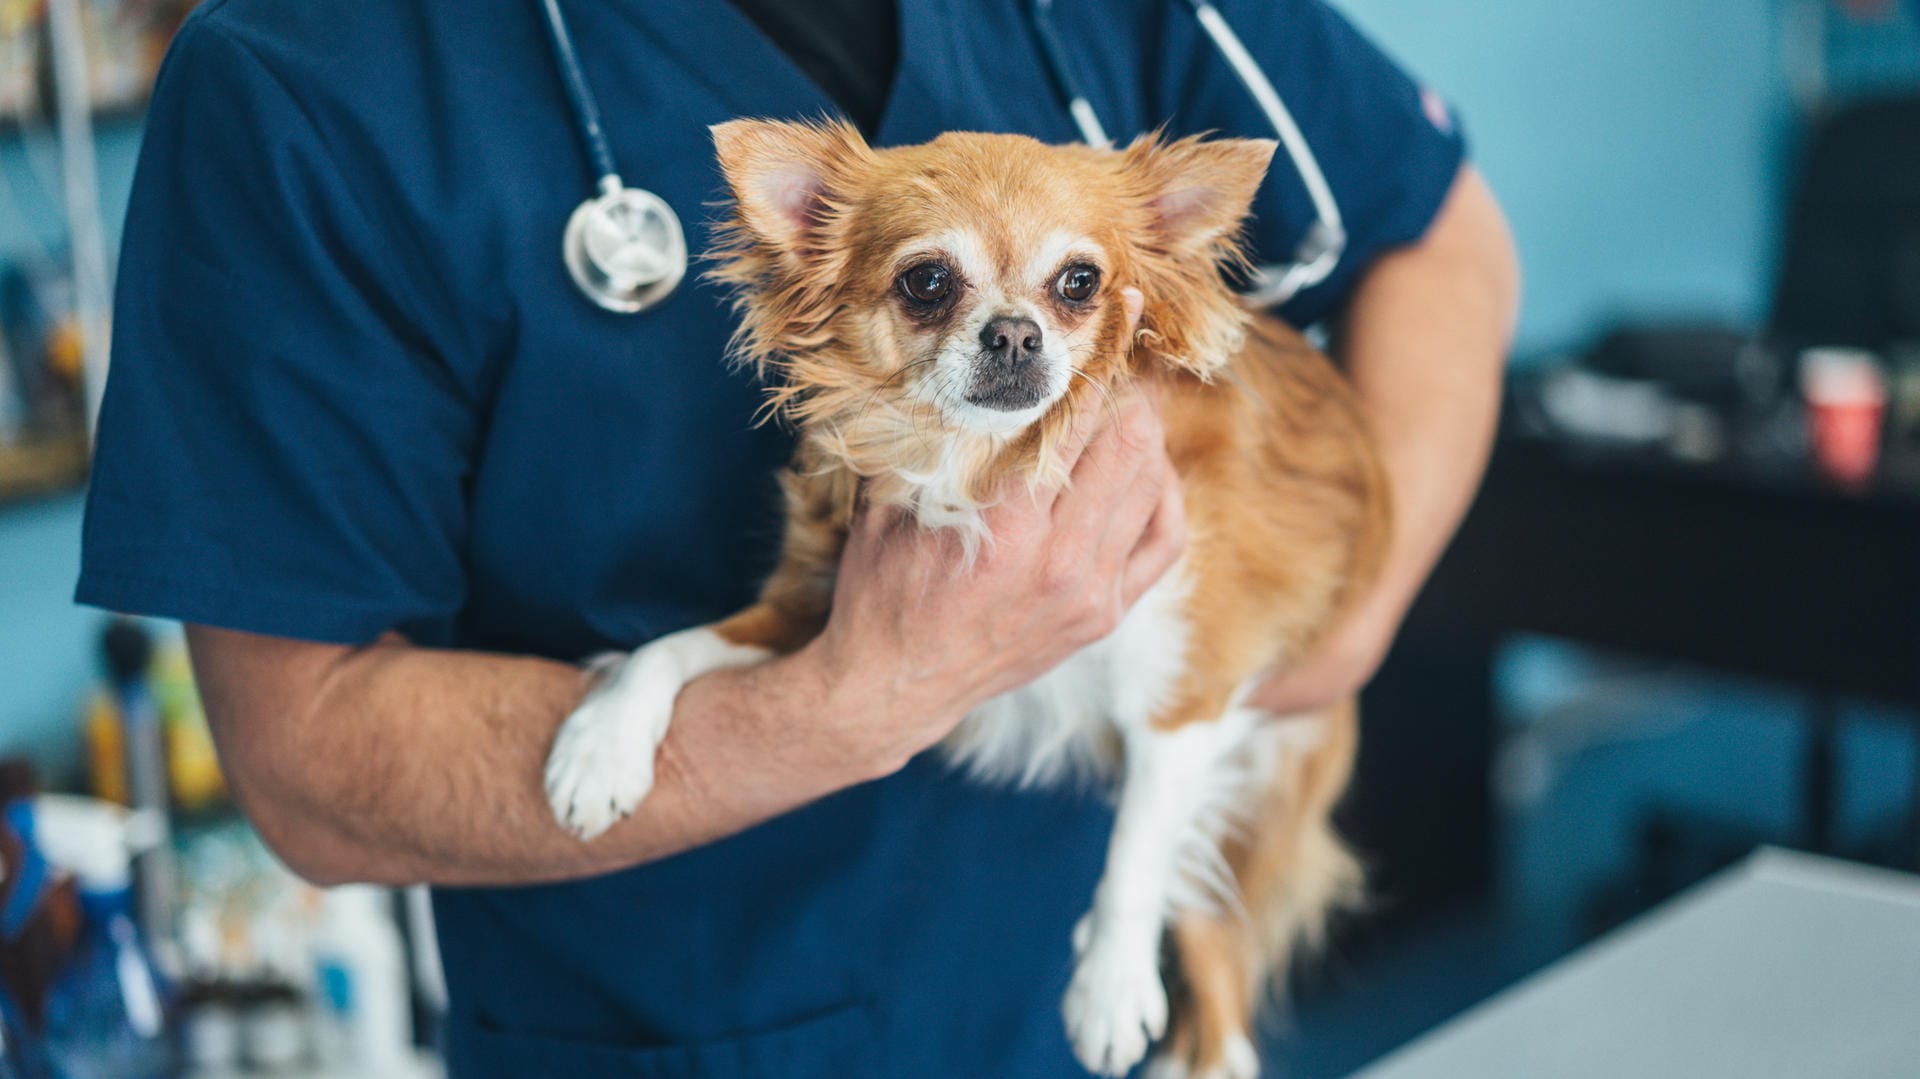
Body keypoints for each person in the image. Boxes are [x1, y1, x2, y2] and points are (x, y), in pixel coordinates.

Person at [78, 0, 1518, 1074]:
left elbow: (1441, 233)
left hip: (1099, 1002)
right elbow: (309, 759)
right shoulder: (307, 78)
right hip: (686, 1031)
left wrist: (1330, 615)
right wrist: (848, 699)